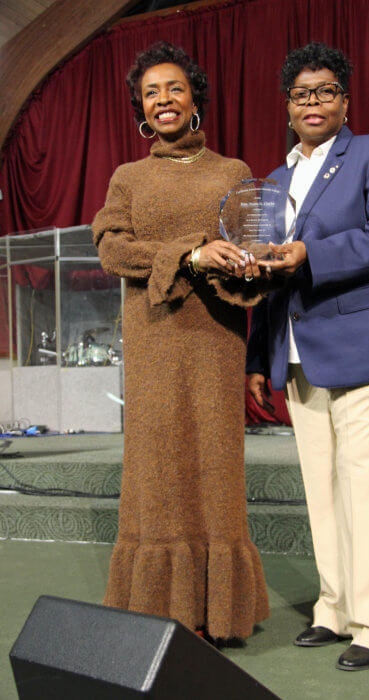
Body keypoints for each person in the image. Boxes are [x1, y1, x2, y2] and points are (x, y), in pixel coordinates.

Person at [247, 42, 369, 670]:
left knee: (367, 484)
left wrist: (310, 255)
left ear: (345, 101)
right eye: (301, 94)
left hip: (366, 345)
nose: (313, 102)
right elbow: (269, 270)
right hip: (298, 355)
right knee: (322, 490)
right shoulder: (270, 182)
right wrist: (256, 354)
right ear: (288, 108)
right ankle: (338, 607)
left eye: (325, 91)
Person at [92, 41, 269, 641]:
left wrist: (247, 265)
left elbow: (253, 259)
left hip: (216, 339)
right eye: (150, 92)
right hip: (154, 338)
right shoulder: (128, 177)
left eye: (173, 88)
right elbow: (113, 249)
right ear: (141, 108)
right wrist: (189, 254)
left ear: (195, 97)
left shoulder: (233, 172)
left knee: (214, 469)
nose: (163, 100)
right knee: (158, 469)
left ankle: (220, 612)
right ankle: (160, 613)